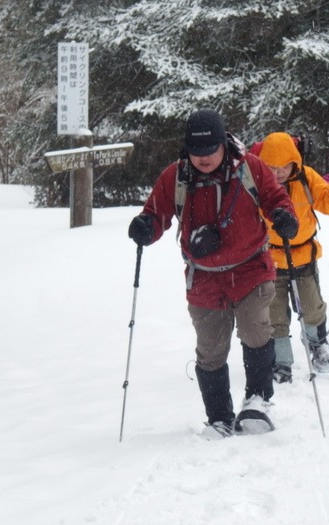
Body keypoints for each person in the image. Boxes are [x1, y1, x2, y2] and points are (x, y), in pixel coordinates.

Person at [127, 109, 298, 439]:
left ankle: (258, 401)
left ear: (223, 143)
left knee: (255, 329)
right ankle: (219, 417)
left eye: (210, 150)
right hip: (204, 277)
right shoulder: (176, 177)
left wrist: (283, 215)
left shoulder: (250, 168)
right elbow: (157, 212)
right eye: (196, 151)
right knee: (211, 349)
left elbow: (275, 197)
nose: (203, 158)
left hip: (251, 267)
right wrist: (146, 226)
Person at [254, 132, 329, 383]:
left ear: (293, 161)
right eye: (272, 167)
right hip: (270, 259)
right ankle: (281, 359)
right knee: (274, 313)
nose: (278, 172)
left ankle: (318, 344)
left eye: (284, 166)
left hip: (303, 255)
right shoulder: (258, 183)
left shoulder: (306, 177)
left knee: (311, 304)